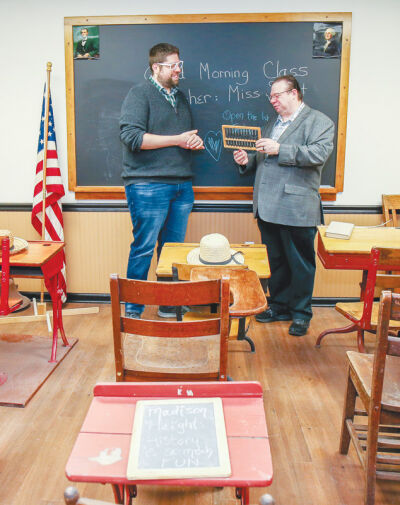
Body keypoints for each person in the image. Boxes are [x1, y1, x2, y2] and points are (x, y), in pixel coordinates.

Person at [233, 75, 334, 337]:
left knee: (300, 263)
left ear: (295, 94)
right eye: (271, 96)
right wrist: (247, 160)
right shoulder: (272, 123)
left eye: (277, 95)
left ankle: (301, 314)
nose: (272, 100)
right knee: (276, 261)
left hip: (296, 206)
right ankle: (279, 306)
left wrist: (280, 149)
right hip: (267, 206)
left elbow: (317, 155)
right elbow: (265, 159)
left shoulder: (319, 122)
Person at [120, 42, 204, 319]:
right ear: (156, 68)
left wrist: (191, 141)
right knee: (144, 248)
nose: (179, 69)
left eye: (180, 64)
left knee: (172, 251)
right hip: (147, 185)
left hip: (182, 185)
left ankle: (169, 304)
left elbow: (180, 138)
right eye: (173, 65)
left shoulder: (179, 97)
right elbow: (133, 138)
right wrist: (178, 139)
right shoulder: (139, 94)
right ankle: (133, 309)